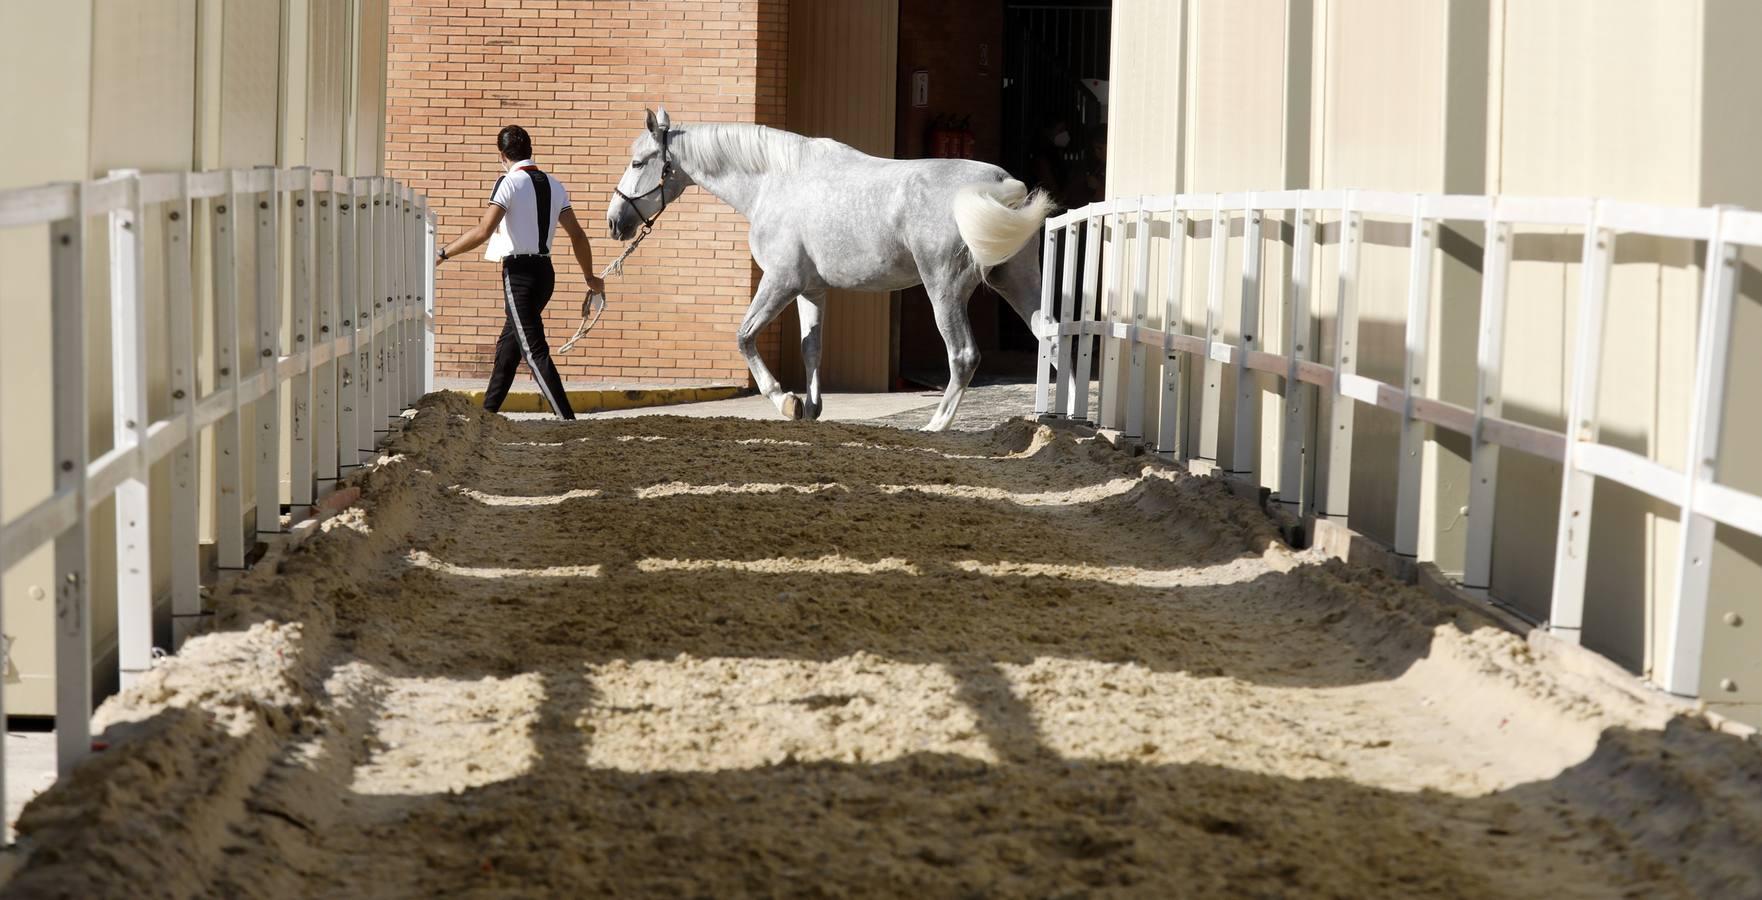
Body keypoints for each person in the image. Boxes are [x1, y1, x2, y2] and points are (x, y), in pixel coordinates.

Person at [435, 124, 604, 420]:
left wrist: (443, 253)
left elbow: (484, 230)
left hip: (519, 275)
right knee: (508, 349)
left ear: (503, 156)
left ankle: (567, 421)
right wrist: (589, 276)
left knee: (533, 351)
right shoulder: (555, 184)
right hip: (545, 274)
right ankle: (486, 416)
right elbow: (578, 235)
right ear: (530, 150)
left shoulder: (509, 183)